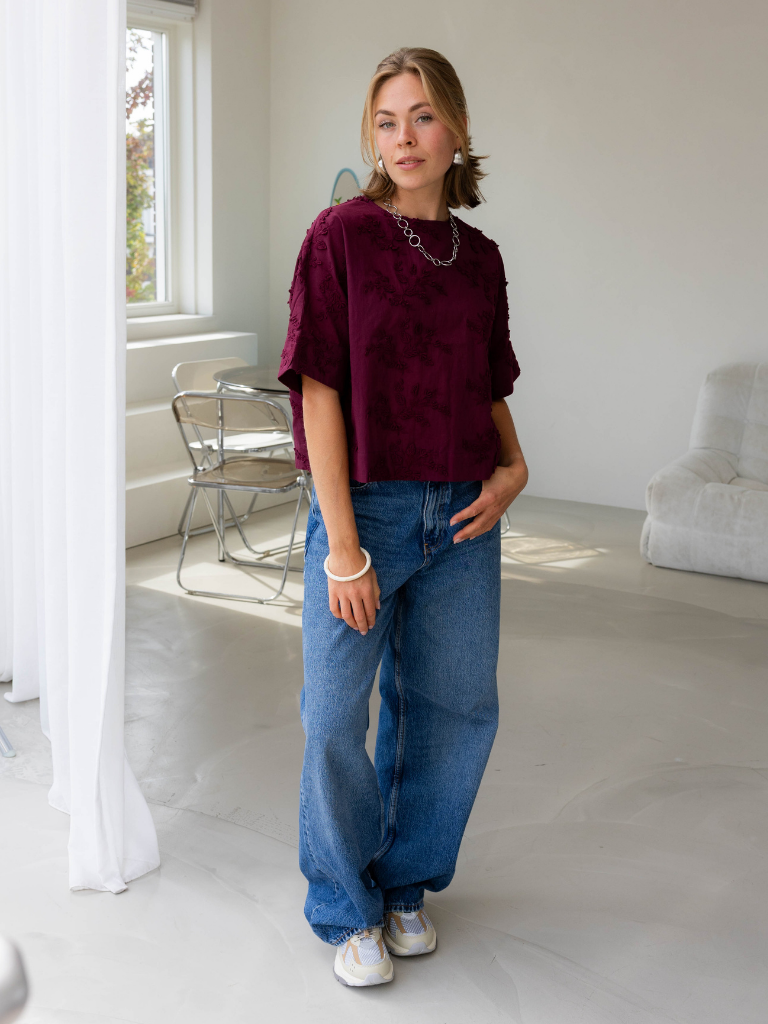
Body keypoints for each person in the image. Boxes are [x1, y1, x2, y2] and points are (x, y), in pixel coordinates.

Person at [278, 46, 527, 987]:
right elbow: (317, 388)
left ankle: (405, 884)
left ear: (456, 128)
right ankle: (347, 908)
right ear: (371, 137)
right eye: (387, 121)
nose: (405, 137)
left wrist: (514, 465)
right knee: (335, 715)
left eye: (423, 116)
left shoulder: (480, 258)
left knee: (456, 709)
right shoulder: (340, 235)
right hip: (369, 511)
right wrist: (342, 545)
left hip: (464, 513)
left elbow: (489, 384)